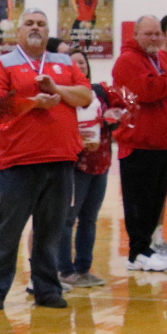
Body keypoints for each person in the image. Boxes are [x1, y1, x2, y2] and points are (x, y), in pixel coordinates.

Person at [0, 11, 95, 307]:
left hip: (60, 160)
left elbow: (85, 95)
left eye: (41, 24)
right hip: (18, 162)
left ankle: (47, 288)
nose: (35, 28)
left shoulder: (65, 63)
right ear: (18, 31)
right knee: (8, 231)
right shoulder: (3, 64)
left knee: (50, 231)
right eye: (29, 23)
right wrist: (32, 102)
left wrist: (56, 89)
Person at [114, 15, 167, 271]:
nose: (155, 38)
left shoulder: (155, 58)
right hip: (139, 144)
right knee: (139, 201)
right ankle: (136, 252)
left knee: (154, 201)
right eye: (149, 34)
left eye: (158, 33)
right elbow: (148, 92)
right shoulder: (128, 61)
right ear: (136, 34)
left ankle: (146, 247)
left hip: (160, 144)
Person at [61, 46, 111, 289]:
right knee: (68, 219)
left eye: (82, 62)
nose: (80, 67)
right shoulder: (64, 97)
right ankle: (65, 269)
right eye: (74, 63)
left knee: (89, 219)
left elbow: (114, 121)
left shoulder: (100, 93)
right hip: (75, 165)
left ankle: (84, 268)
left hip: (99, 163)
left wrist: (114, 118)